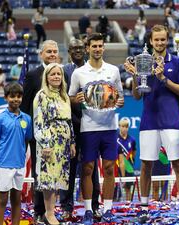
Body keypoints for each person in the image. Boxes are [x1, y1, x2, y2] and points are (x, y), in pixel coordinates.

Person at [123, 24, 179, 224]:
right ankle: (144, 207)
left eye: (163, 39)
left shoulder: (177, 62)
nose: (160, 42)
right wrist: (135, 76)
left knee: (178, 164)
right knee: (146, 165)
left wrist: (162, 78)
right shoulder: (142, 61)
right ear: (150, 41)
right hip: (149, 121)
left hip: (171, 121)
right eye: (156, 39)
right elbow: (136, 96)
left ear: (167, 40)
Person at [68, 33, 124, 224]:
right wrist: (77, 99)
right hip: (88, 127)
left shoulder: (114, 70)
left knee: (109, 168)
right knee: (87, 169)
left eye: (100, 46)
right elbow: (69, 98)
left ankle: (108, 208)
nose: (97, 49)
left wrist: (120, 101)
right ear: (88, 49)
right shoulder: (79, 73)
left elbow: (120, 97)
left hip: (110, 127)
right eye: (94, 46)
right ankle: (88, 210)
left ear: (104, 48)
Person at [59, 39, 102, 220]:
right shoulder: (62, 72)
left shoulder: (92, 70)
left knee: (91, 168)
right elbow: (61, 99)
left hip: (91, 124)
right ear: (69, 51)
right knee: (68, 168)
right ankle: (67, 207)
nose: (77, 51)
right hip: (71, 126)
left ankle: (94, 206)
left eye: (79, 48)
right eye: (73, 48)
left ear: (85, 50)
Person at [20, 40, 59, 224]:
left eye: (55, 51)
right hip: (38, 136)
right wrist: (29, 135)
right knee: (39, 174)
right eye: (49, 51)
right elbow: (26, 106)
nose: (52, 54)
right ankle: (38, 211)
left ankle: (51, 212)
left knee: (54, 174)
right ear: (41, 54)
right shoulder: (32, 75)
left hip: (58, 136)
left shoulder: (62, 74)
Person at [33, 63, 76, 225]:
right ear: (47, 77)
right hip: (49, 143)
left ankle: (51, 212)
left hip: (63, 145)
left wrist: (72, 142)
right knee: (48, 180)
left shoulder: (64, 95)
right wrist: (44, 144)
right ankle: (49, 213)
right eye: (53, 74)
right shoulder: (41, 95)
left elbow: (69, 121)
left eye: (59, 74)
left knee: (57, 179)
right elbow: (38, 122)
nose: (56, 76)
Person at [0, 83, 32, 225]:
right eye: (12, 96)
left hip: (19, 165)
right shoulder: (0, 119)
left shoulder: (27, 119)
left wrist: (20, 157)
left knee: (17, 199)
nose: (16, 99)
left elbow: (26, 141)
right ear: (6, 98)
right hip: (3, 164)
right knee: (2, 200)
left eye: (19, 96)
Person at [116, 118, 137, 202]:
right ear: (119, 127)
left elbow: (134, 151)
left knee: (128, 189)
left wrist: (129, 161)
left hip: (129, 168)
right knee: (115, 190)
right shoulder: (115, 139)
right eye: (122, 126)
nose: (124, 128)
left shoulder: (132, 140)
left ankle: (128, 206)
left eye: (126, 126)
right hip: (117, 167)